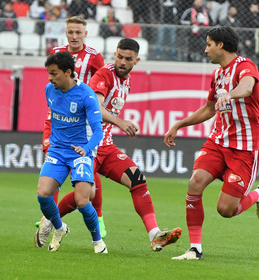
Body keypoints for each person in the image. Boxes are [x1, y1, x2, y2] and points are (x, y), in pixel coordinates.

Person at [39, 38, 183, 253]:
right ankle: (50, 221)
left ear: (137, 61)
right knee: (87, 195)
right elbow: (96, 106)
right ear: (114, 54)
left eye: (128, 59)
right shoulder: (104, 75)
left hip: (107, 146)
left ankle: (155, 235)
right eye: (119, 56)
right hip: (89, 145)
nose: (122, 62)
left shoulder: (127, 80)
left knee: (138, 180)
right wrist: (120, 122)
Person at [164, 26, 259, 260]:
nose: (205, 49)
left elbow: (247, 87)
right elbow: (209, 109)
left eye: (209, 44)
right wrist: (178, 125)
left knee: (226, 210)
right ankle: (195, 249)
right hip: (218, 142)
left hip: (244, 148)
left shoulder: (245, 66)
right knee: (195, 183)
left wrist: (229, 95)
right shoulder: (218, 74)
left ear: (221, 45)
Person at [35, 16, 106, 246]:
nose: (73, 36)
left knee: (84, 198)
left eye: (78, 32)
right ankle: (57, 226)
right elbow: (53, 112)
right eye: (70, 32)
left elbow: (103, 82)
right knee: (43, 191)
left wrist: (86, 148)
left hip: (81, 140)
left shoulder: (93, 64)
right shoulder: (50, 86)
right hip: (58, 142)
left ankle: (98, 238)